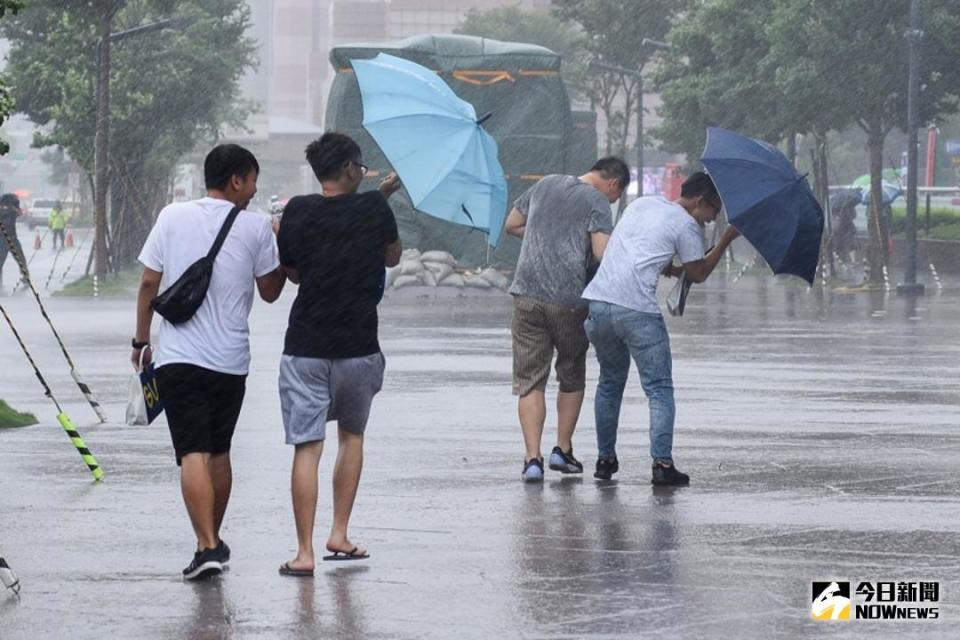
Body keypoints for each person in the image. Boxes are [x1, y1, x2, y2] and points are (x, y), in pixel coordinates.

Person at [132, 144, 286, 580]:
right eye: (253, 180)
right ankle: (212, 541)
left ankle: (207, 545)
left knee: (191, 452)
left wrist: (141, 339)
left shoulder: (172, 216)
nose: (255, 190)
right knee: (218, 451)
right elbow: (272, 291)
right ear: (236, 179)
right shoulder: (255, 227)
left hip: (180, 359)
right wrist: (275, 240)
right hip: (230, 362)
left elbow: (148, 282)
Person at [276, 132, 401, 576]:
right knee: (352, 437)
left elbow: (291, 274)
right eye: (361, 167)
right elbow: (392, 257)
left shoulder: (297, 210)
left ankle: (305, 553)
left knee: (307, 448)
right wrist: (381, 200)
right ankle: (340, 533)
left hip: (306, 345)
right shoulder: (374, 208)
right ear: (349, 169)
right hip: (358, 347)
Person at [582, 172, 740, 485]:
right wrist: (726, 240)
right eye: (714, 210)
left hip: (599, 303)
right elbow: (698, 274)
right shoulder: (686, 225)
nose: (713, 219)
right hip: (636, 311)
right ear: (699, 201)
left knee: (610, 382)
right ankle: (662, 465)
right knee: (659, 388)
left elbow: (637, 248)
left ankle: (605, 459)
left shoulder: (643, 204)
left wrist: (669, 267)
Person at [503, 157, 630, 482]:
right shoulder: (597, 201)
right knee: (571, 371)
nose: (612, 202)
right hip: (569, 299)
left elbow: (512, 224)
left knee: (531, 379)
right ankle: (562, 449)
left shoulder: (545, 184)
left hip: (526, 294)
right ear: (613, 184)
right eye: (616, 197)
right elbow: (602, 253)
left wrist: (546, 238)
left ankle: (533, 459)